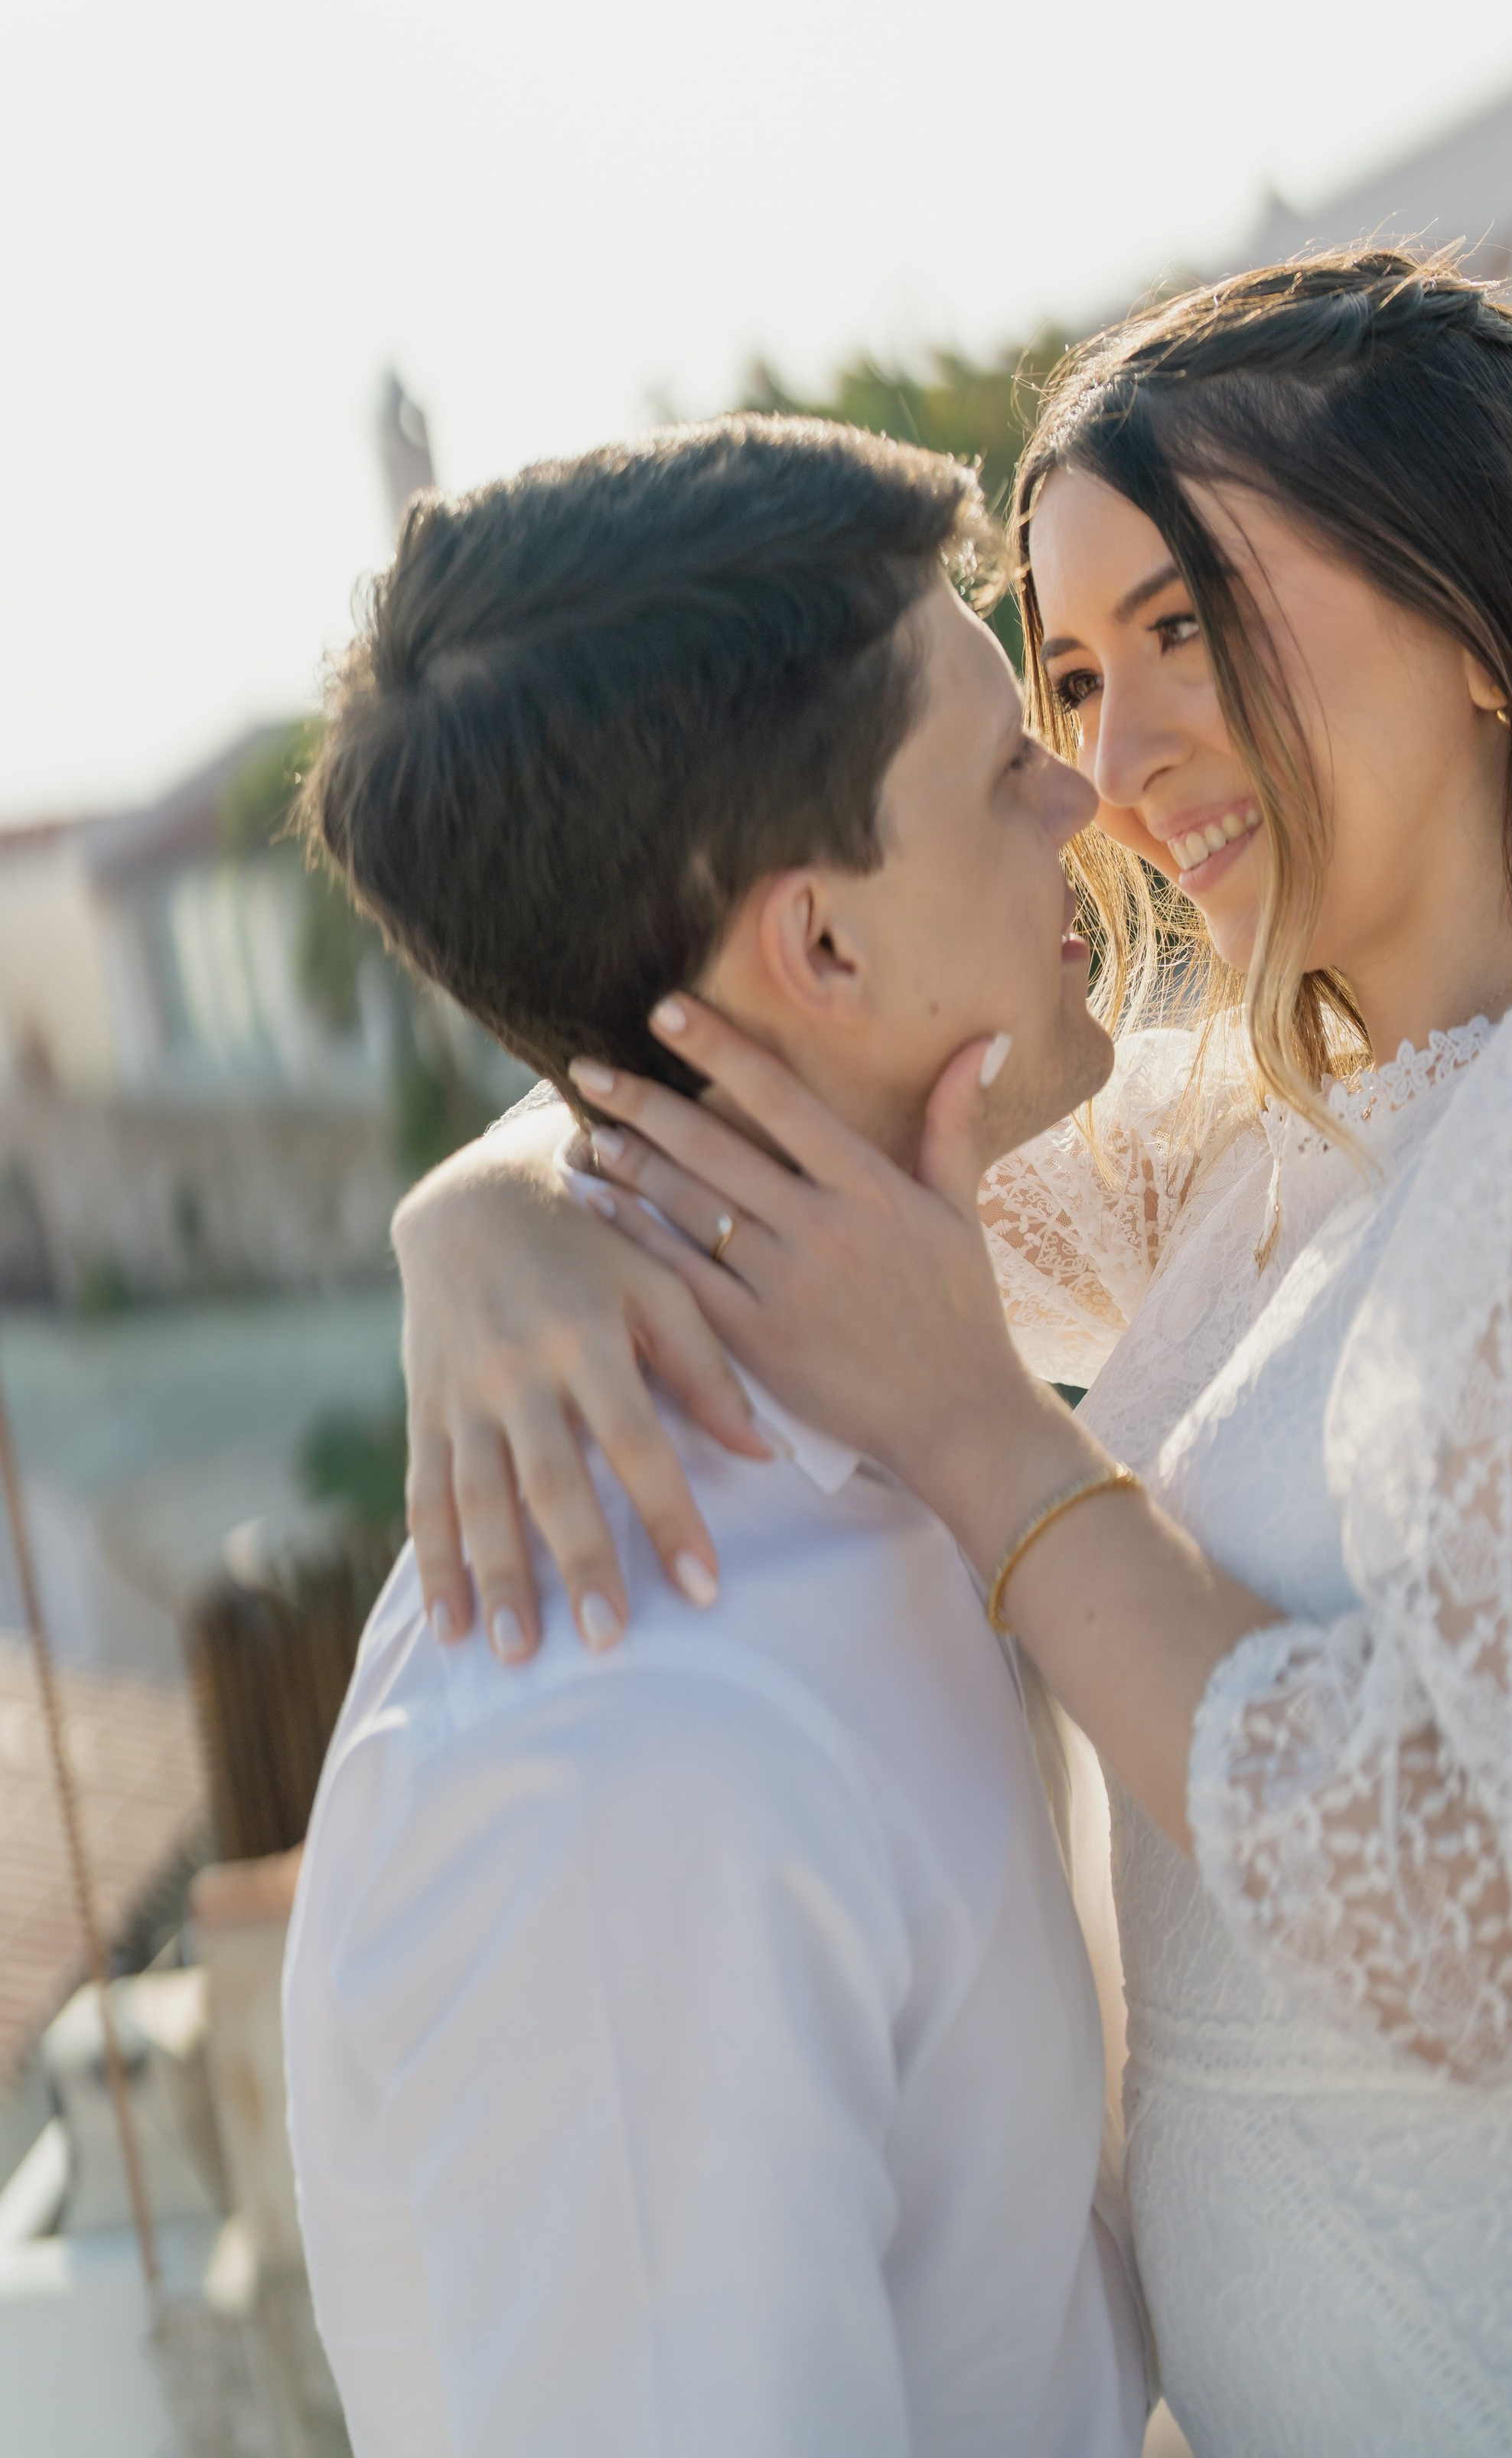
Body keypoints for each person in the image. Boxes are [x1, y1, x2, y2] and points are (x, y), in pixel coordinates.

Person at [392, 256, 1512, 2455]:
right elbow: (786, 1102)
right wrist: (472, 1228)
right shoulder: (1244, 1152)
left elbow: (1488, 1923)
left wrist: (975, 1438)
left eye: (1183, 629)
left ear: (1485, 606)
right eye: (1062, 673)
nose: (1114, 766)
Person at [280, 417, 1152, 2458]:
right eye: (1007, 758)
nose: (1086, 800)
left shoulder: (866, 1398)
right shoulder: (626, 1761)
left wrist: (477, 1200)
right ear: (821, 951)